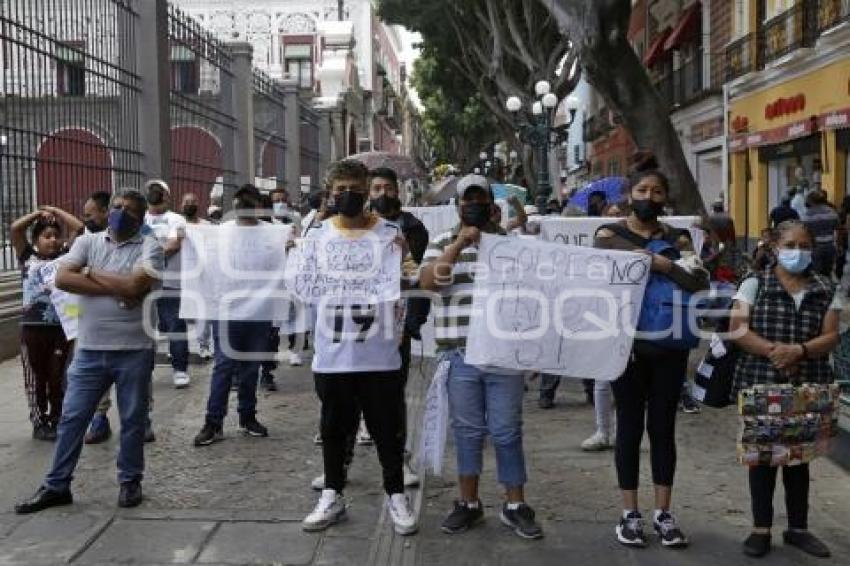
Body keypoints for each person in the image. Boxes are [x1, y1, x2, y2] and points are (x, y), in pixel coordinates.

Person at [14, 189, 164, 513]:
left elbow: (134, 287)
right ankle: (57, 485)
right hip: (90, 350)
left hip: (134, 350)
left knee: (133, 420)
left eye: (128, 210)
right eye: (117, 207)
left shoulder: (151, 247)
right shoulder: (87, 242)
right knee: (72, 418)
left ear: (139, 218)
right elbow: (63, 278)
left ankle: (129, 482)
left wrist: (91, 273)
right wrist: (118, 285)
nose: (120, 212)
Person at [420, 174, 543, 540]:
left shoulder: (511, 245)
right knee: (468, 433)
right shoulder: (442, 242)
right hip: (459, 356)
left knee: (506, 431)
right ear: (457, 207)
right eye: (465, 200)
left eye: (479, 199)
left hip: (503, 355)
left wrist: (533, 348)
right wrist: (459, 243)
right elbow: (429, 282)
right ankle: (468, 503)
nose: (472, 205)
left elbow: (531, 297)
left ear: (492, 206)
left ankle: (515, 505)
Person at [594, 156, 709, 548]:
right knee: (629, 427)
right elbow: (597, 281)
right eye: (642, 191)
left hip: (669, 347)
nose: (649, 197)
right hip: (625, 348)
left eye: (656, 192)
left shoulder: (677, 240)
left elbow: (697, 282)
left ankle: (663, 513)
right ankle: (630, 514)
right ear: (629, 196)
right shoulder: (607, 235)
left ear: (665, 198)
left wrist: (661, 264)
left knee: (663, 429)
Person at [301, 160, 416, 536]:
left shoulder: (391, 233)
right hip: (332, 354)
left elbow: (412, 280)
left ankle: (396, 494)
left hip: (379, 354)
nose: (348, 195)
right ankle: (333, 493)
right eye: (340, 190)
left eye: (355, 188)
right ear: (330, 193)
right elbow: (302, 287)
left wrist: (405, 265)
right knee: (334, 428)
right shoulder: (315, 236)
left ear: (367, 191)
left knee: (387, 429)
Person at [730, 220, 839, 559]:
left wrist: (801, 351)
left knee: (799, 458)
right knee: (762, 456)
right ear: (775, 247)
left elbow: (832, 335)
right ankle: (760, 529)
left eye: (805, 246)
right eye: (791, 245)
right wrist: (776, 352)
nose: (798, 252)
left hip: (809, 382)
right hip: (761, 379)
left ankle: (798, 528)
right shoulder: (754, 283)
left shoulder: (825, 287)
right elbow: (738, 329)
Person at [193, 184, 273, 446]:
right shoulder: (219, 234)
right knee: (224, 367)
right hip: (227, 313)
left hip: (259, 313)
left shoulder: (272, 234)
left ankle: (247, 417)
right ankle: (213, 421)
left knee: (251, 369)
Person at [11, 206, 82, 440]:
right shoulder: (27, 258)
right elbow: (15, 229)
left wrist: (55, 211)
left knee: (57, 377)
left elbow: (79, 228)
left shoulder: (66, 259)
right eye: (46, 236)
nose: (52, 241)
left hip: (60, 329)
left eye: (55, 236)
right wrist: (37, 214)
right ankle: (39, 421)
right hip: (32, 331)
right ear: (35, 240)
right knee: (35, 379)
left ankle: (58, 418)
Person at [144, 179, 190, 388]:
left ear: (167, 195)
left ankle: (180, 369)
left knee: (175, 327)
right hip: (144, 283)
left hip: (171, 282)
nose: (154, 194)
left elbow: (174, 244)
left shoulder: (177, 220)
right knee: (145, 329)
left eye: (158, 191)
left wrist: (148, 259)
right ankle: (145, 370)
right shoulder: (140, 219)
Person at [179, 193, 213, 360]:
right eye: (187, 202)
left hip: (201, 273)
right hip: (181, 273)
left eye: (193, 202)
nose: (190, 205)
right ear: (181, 205)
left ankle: (203, 344)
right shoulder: (177, 225)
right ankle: (178, 346)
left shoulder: (207, 225)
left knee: (202, 312)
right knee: (181, 312)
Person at [802, 190, 839, 277]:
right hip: (830, 245)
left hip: (815, 246)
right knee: (827, 272)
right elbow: (836, 227)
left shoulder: (808, 214)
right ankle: (828, 288)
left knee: (816, 273)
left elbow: (805, 231)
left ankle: (820, 288)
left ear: (811, 201)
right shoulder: (831, 212)